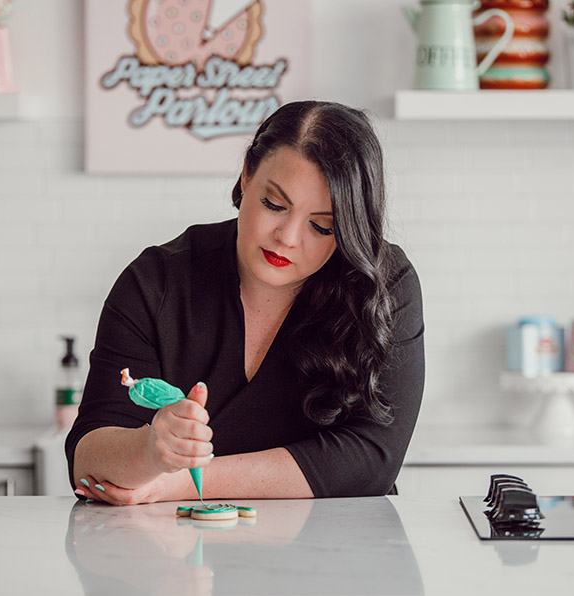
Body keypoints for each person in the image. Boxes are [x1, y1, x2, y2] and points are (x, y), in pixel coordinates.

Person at [65, 100, 425, 505]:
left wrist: (184, 482)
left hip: (340, 555)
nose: (287, 237)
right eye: (274, 204)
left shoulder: (383, 284)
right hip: (180, 556)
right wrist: (149, 451)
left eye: (322, 226)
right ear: (246, 175)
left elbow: (373, 458)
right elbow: (87, 456)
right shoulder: (156, 282)